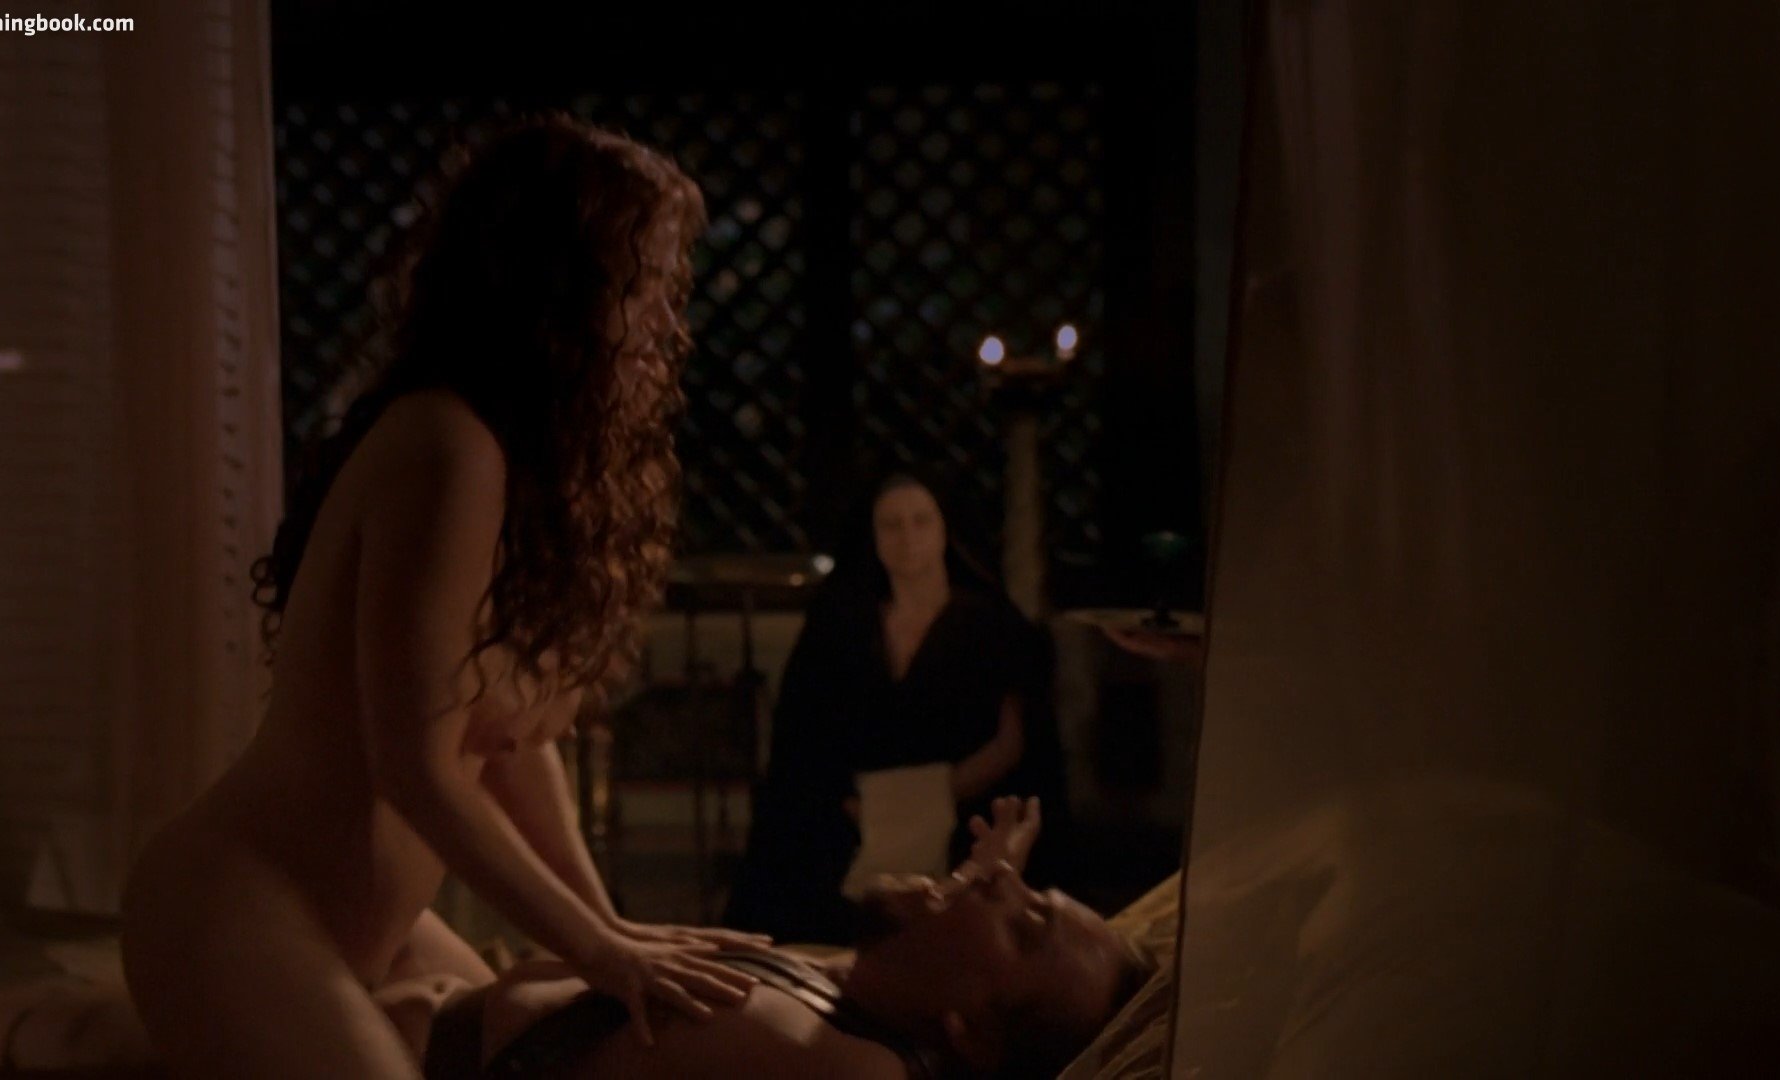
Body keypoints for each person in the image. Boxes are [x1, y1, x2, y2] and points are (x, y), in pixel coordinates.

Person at [119, 114, 767, 1080]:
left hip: (371, 930)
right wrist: (596, 948)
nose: (663, 327)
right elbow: (417, 767)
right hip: (238, 907)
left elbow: (511, 750)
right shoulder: (445, 446)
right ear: (561, 289)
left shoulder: (524, 477)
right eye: (642, 287)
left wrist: (603, 923)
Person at [426, 797, 1153, 1079]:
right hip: (448, 1002)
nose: (1000, 883)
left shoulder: (861, 1072)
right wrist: (969, 899)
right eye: (1025, 887)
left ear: (974, 1034)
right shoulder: (862, 1003)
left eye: (1025, 926)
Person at [726, 472, 1068, 943]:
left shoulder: (995, 627)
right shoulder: (839, 624)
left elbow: (1016, 746)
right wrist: (855, 806)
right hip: (843, 824)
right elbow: (803, 734)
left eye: (921, 521)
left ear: (945, 529)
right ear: (872, 535)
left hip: (966, 825)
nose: (907, 537)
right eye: (891, 525)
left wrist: (919, 801)